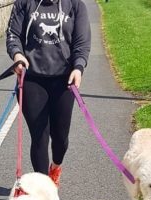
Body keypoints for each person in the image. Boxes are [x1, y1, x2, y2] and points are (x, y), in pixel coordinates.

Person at [6, 0, 91, 187]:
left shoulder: (75, 5)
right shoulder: (24, 3)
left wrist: (78, 67)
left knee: (60, 138)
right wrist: (18, 56)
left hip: (64, 80)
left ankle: (56, 165)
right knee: (39, 136)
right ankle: (43, 189)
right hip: (32, 78)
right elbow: (13, 35)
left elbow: (82, 42)